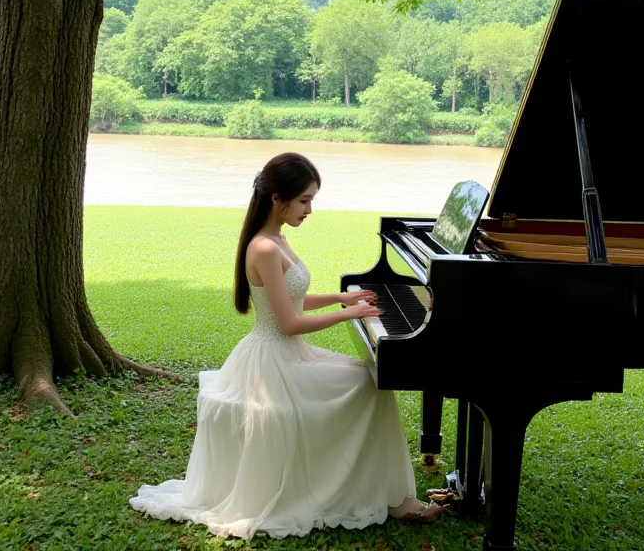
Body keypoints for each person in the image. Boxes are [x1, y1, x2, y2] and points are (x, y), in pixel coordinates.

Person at [129, 151, 446, 538]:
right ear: (278, 198)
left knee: (371, 380)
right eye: (305, 200)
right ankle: (388, 497)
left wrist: (341, 299)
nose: (310, 209)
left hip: (288, 355)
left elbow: (292, 299)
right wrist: (351, 314)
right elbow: (290, 323)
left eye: (311, 199)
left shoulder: (276, 239)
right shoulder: (263, 249)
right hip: (273, 362)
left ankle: (390, 494)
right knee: (369, 385)